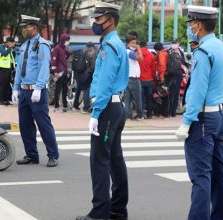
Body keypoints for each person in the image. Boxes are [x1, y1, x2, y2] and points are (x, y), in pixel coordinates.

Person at [175, 5, 223, 220]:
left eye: (191, 24)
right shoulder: (221, 47)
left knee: (200, 176)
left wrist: (186, 121)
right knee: (218, 173)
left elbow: (198, 90)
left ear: (198, 24)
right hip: (218, 115)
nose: (190, 28)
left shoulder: (203, 51)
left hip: (202, 118)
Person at [76, 2, 129, 220]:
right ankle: (117, 209)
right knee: (115, 158)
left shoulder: (109, 46)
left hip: (107, 107)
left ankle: (100, 212)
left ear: (111, 21)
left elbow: (105, 84)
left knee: (99, 160)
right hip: (117, 106)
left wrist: (96, 114)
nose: (95, 23)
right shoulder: (117, 43)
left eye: (99, 20)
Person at [11, 15, 59, 167]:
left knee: (43, 124)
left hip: (36, 91)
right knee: (25, 124)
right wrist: (15, 88)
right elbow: (19, 68)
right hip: (24, 91)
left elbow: (44, 69)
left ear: (33, 27)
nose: (24, 30)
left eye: (26, 27)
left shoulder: (42, 45)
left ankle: (53, 155)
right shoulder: (24, 46)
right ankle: (31, 154)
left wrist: (38, 88)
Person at [124, 33, 144, 120]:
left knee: (127, 99)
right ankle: (140, 115)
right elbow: (141, 59)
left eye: (135, 43)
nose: (135, 45)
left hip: (127, 78)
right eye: (133, 43)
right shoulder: (130, 52)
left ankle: (127, 115)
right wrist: (139, 48)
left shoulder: (125, 51)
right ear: (128, 43)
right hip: (134, 79)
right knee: (138, 98)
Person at [73, 41, 96, 113]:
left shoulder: (81, 52)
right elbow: (92, 67)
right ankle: (86, 107)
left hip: (78, 73)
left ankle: (75, 105)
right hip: (87, 74)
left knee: (79, 89)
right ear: (91, 47)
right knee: (87, 89)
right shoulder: (91, 54)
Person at [167, 39, 187, 117]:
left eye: (175, 43)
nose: (174, 45)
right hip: (174, 75)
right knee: (173, 94)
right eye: (173, 43)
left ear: (178, 44)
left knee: (173, 94)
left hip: (174, 75)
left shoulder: (174, 52)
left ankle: (171, 111)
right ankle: (172, 112)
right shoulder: (172, 52)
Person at [51, 33, 71, 112]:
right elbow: (53, 60)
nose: (68, 42)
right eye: (67, 40)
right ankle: (56, 106)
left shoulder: (64, 48)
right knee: (58, 89)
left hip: (64, 72)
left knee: (65, 89)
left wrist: (68, 52)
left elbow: (66, 57)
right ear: (63, 40)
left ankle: (65, 106)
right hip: (59, 72)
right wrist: (55, 71)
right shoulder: (57, 48)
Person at [139, 41, 156, 119]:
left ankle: (141, 114)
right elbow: (153, 69)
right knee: (149, 98)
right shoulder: (152, 56)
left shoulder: (137, 55)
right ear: (146, 46)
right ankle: (149, 114)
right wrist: (153, 78)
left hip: (139, 79)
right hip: (149, 79)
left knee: (141, 98)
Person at [0, 37, 16, 105]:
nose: (13, 45)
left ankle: (6, 100)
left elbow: (12, 59)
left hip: (8, 69)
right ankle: (0, 100)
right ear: (9, 42)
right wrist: (10, 47)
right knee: (3, 85)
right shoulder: (1, 47)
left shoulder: (9, 49)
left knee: (7, 85)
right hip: (2, 68)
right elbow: (5, 54)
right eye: (12, 43)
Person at [154, 42, 170, 118]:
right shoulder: (166, 52)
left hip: (164, 76)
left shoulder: (162, 54)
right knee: (165, 94)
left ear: (157, 50)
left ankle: (164, 113)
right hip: (167, 76)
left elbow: (162, 66)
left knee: (164, 94)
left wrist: (162, 77)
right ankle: (165, 112)